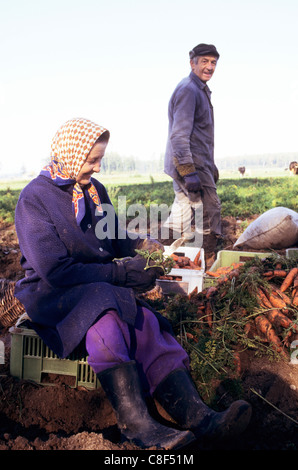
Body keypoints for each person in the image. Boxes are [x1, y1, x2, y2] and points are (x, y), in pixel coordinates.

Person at [14, 117, 251, 450]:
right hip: (54, 292)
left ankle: (199, 416)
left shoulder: (94, 191)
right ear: (70, 153)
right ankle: (137, 426)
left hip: (97, 284)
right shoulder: (35, 199)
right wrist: (122, 275)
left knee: (146, 322)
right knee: (108, 319)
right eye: (91, 159)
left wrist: (149, 249)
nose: (97, 167)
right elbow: (56, 271)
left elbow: (115, 235)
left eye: (100, 159)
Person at [164, 43, 223, 252]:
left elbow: (201, 136)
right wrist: (189, 172)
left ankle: (163, 251)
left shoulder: (200, 90)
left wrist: (211, 165)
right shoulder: (189, 90)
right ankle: (206, 257)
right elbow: (179, 136)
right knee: (209, 209)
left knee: (183, 206)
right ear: (192, 63)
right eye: (204, 61)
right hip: (190, 164)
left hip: (197, 162)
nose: (209, 67)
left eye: (213, 62)